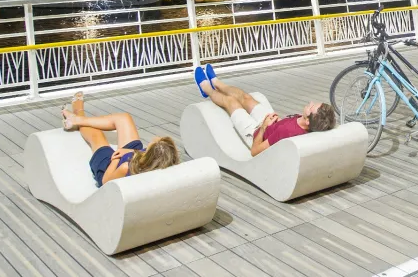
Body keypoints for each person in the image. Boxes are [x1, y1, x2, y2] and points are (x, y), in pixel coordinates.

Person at [194, 64, 335, 156]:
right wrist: (278, 122)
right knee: (246, 97)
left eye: (312, 107)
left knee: (231, 102)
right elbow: (290, 127)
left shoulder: (285, 132)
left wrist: (262, 128)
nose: (310, 103)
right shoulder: (307, 126)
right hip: (272, 123)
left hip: (255, 133)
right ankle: (217, 83)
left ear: (308, 121)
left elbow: (255, 151)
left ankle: (207, 89)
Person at [61, 92, 180, 188]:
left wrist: (116, 157)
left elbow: (105, 181)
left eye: (149, 146)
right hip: (133, 157)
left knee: (96, 135)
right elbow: (148, 157)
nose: (148, 144)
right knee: (124, 118)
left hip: (111, 166)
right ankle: (77, 119)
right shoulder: (164, 164)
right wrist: (132, 152)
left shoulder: (125, 168)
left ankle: (78, 112)